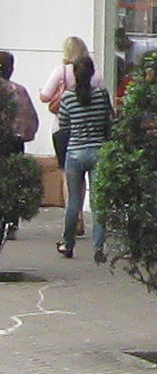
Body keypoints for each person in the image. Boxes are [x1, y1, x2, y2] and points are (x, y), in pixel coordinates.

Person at [57, 56, 114, 262]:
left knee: (74, 201)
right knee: (98, 202)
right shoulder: (101, 95)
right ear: (92, 73)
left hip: (75, 152)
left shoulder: (67, 97)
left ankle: (68, 243)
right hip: (99, 151)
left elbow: (64, 125)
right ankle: (98, 247)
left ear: (74, 75)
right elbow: (109, 120)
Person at [40, 36, 103, 169]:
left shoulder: (61, 71)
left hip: (64, 128)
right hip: (92, 130)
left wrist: (60, 92)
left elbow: (44, 97)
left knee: (66, 171)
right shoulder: (95, 74)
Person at [1, 51, 39, 241]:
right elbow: (30, 118)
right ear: (11, 69)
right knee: (13, 181)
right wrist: (26, 135)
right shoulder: (18, 90)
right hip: (13, 142)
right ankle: (11, 222)